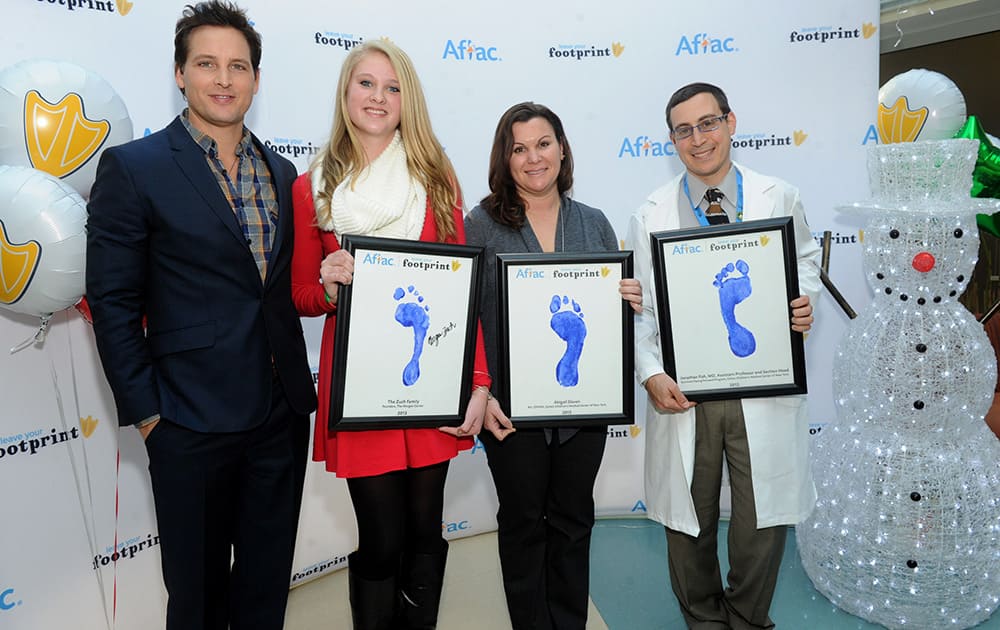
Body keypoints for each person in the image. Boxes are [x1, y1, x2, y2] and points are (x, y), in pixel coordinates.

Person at [85, 3, 315, 629]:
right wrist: (151, 416)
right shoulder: (135, 168)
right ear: (180, 74)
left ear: (256, 80)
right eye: (206, 63)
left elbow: (274, 291)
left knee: (266, 591)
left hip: (281, 414)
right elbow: (112, 302)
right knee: (198, 599)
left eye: (237, 66)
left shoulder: (283, 172)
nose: (223, 78)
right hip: (188, 420)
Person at [289, 40, 490, 630]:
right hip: (359, 384)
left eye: (393, 87)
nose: (379, 97)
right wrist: (327, 283)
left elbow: (463, 289)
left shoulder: (436, 175)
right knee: (380, 536)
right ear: (346, 92)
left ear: (408, 100)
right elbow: (301, 296)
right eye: (366, 84)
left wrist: (477, 381)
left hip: (432, 374)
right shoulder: (313, 187)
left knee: (426, 529)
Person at [626, 82, 820, 630]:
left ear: (731, 123)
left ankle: (747, 619)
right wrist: (651, 373)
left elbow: (805, 261)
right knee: (689, 521)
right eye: (684, 130)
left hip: (763, 384)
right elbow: (640, 308)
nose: (698, 138)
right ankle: (704, 621)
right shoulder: (650, 215)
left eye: (708, 123)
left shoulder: (778, 196)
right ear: (672, 141)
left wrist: (802, 305)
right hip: (686, 394)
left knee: (760, 523)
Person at [464, 102, 642, 630]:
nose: (533, 157)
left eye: (543, 143)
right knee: (521, 525)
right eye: (518, 148)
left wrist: (628, 298)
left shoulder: (594, 222)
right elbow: (467, 319)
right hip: (509, 412)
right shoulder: (480, 224)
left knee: (573, 522)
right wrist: (483, 392)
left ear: (562, 149)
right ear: (505, 158)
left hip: (583, 410)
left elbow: (613, 321)